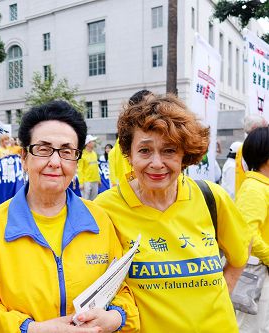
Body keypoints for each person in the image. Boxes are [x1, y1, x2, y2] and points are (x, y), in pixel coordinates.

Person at [0, 100, 139, 333]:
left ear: (76, 161)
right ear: (23, 158)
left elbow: (121, 290)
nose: (55, 162)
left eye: (67, 152)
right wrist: (32, 329)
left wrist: (116, 317)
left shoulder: (99, 220)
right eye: (43, 149)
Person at [94, 94, 249, 332]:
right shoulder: (105, 208)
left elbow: (239, 255)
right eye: (145, 150)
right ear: (129, 154)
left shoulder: (211, 197)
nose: (157, 163)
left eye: (169, 151)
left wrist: (222, 295)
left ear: (184, 154)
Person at [234, 126, 269, 333]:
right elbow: (248, 235)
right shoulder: (254, 189)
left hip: (262, 270)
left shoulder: (262, 186)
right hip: (256, 274)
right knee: (252, 327)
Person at [108, 89, 154, 187]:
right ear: (136, 110)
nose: (157, 108)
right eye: (151, 105)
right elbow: (126, 172)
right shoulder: (127, 139)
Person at [235, 114, 268, 194]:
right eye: (265, 127)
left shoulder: (244, 147)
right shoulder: (254, 148)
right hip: (253, 194)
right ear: (255, 128)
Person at [78, 135, 101, 200]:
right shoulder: (82, 155)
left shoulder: (94, 153)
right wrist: (81, 183)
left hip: (95, 181)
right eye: (92, 141)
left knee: (94, 201)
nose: (94, 143)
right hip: (86, 182)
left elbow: (96, 168)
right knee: (86, 201)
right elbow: (80, 170)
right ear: (88, 143)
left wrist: (99, 179)